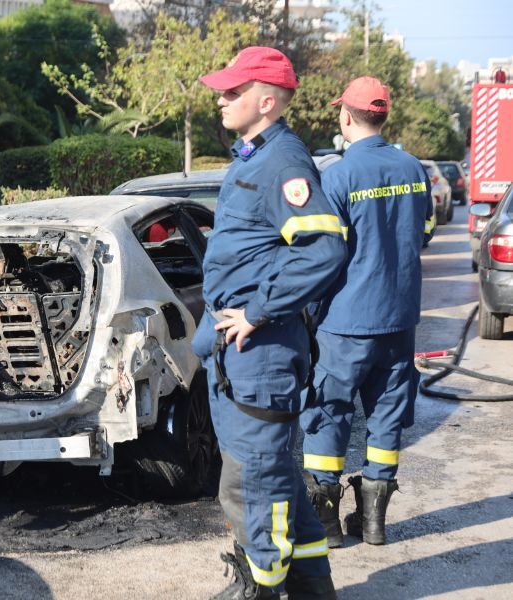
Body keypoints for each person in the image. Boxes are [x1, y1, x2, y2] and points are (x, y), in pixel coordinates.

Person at [193, 47, 347, 599]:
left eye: (232, 91)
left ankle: (261, 588)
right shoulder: (253, 156)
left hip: (260, 354)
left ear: (266, 100)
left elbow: (325, 251)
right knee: (276, 476)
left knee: (255, 483)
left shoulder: (283, 162)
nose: (221, 98)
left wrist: (259, 310)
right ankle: (311, 588)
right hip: (240, 356)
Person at [300, 77, 434, 548]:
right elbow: (427, 231)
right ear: (383, 116)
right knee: (386, 418)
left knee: (328, 414)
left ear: (345, 116)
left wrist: (307, 312)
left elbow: (321, 255)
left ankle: (328, 527)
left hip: (344, 322)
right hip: (399, 320)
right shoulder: (413, 168)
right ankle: (374, 523)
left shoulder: (335, 176)